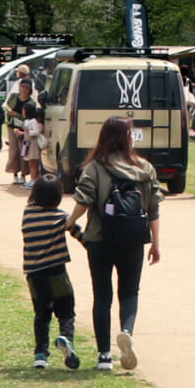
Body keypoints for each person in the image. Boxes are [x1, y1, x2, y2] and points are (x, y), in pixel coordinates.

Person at [69, 115, 162, 373]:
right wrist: (155, 242)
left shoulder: (95, 167)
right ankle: (126, 332)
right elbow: (153, 208)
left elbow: (84, 200)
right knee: (130, 292)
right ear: (128, 138)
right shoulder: (145, 168)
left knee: (102, 296)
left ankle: (104, 356)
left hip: (100, 239)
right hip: (134, 239)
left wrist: (70, 222)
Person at [22, 175, 80, 370]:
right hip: (57, 272)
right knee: (66, 311)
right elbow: (78, 231)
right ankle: (66, 338)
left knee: (42, 314)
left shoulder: (28, 213)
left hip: (34, 274)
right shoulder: (60, 217)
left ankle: (40, 354)